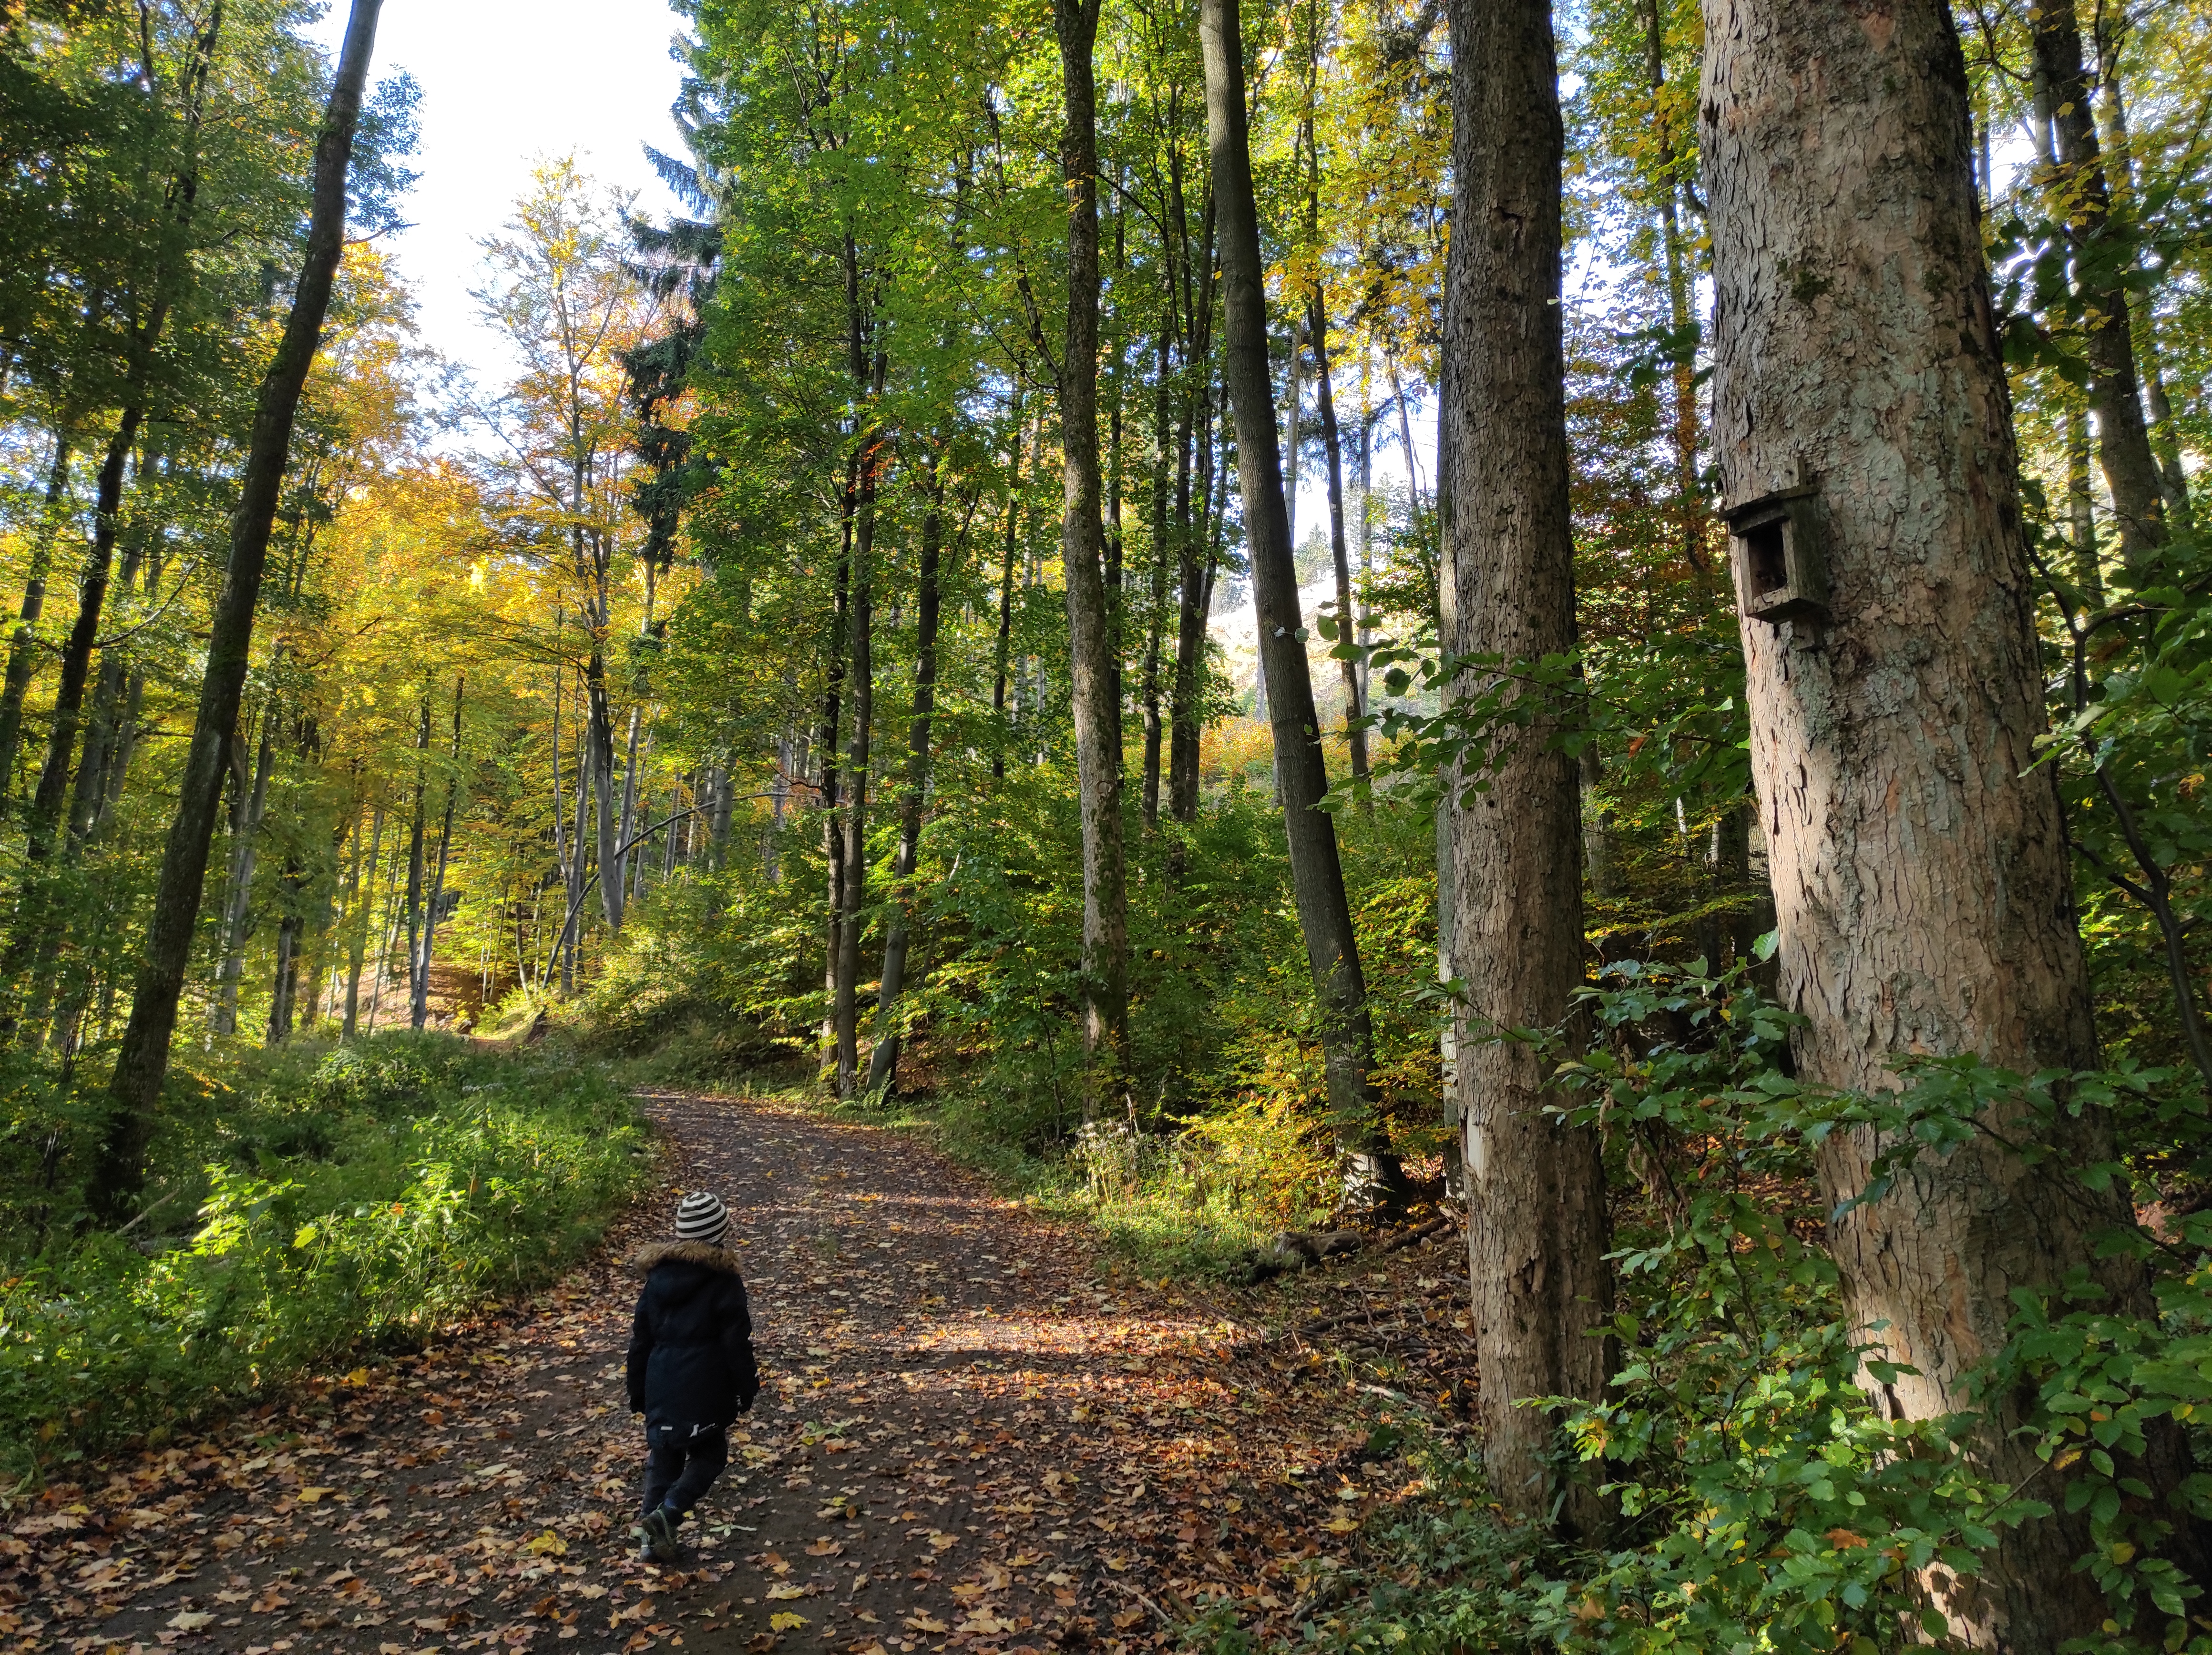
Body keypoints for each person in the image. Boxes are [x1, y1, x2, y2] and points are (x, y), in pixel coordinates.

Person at [626, 1190, 760, 1563]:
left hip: (661, 1382)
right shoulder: (723, 1281)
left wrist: (637, 1389)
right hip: (703, 1387)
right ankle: (668, 1513)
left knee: (663, 1459)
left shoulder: (656, 1280)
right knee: (711, 1454)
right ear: (720, 1234)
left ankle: (651, 1544)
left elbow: (641, 1340)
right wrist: (747, 1387)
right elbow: (737, 1343)